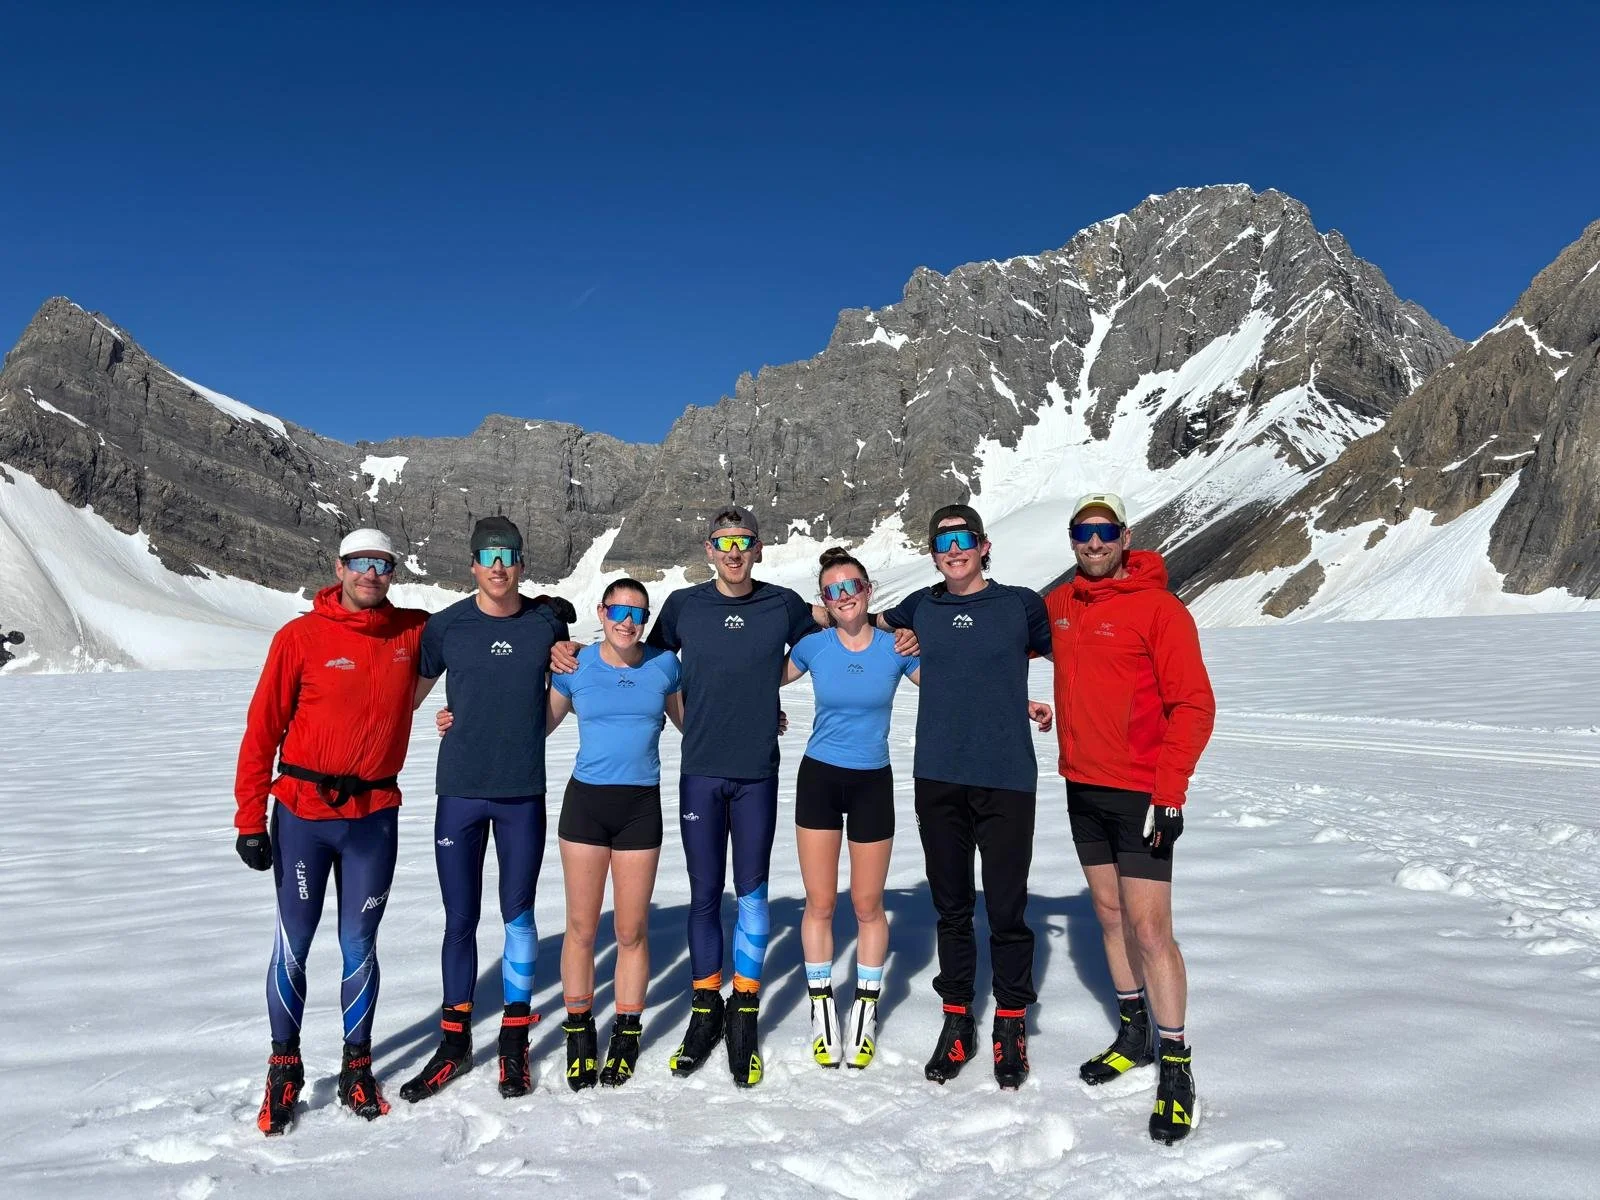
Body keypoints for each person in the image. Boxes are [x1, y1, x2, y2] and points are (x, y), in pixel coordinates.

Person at [554, 504, 820, 1087]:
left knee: (752, 893)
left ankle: (744, 1012)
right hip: (699, 771)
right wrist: (562, 648)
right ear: (708, 549)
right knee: (704, 896)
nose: (733, 552)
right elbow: (637, 658)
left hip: (756, 773)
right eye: (723, 542)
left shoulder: (783, 604)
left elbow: (831, 631)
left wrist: (886, 621)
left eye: (743, 542)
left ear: (758, 548)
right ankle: (706, 1010)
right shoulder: (682, 608)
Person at [234, 529, 428, 1136]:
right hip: (304, 816)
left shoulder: (411, 632)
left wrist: (544, 618)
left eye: (384, 565)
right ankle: (284, 1066)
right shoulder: (299, 637)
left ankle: (356, 1066)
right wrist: (249, 819)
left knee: (359, 942)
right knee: (293, 940)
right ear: (339, 566)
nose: (373, 573)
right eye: (362, 563)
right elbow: (262, 728)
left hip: (374, 816)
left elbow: (479, 624)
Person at [1045, 492, 1215, 1144]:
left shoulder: (1159, 610)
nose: (1093, 542)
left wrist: (1170, 795)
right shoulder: (1059, 607)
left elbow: (1193, 706)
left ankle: (1175, 1063)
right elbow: (1005, 631)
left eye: (1103, 531)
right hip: (1081, 790)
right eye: (1082, 532)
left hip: (1141, 794)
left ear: (1124, 535)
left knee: (1150, 930)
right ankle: (1135, 1033)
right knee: (1110, 916)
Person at [881, 504, 1054, 1090]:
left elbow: (1069, 656)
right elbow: (854, 622)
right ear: (932, 553)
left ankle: (1010, 1021)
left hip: (1007, 775)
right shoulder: (919, 608)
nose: (953, 550)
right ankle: (957, 1018)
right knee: (951, 906)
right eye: (941, 542)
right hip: (939, 776)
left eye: (963, 540)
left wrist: (1028, 701)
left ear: (983, 546)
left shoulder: (1020, 605)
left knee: (1007, 908)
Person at [399, 517, 572, 1104]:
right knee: (459, 920)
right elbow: (403, 697)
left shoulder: (545, 623)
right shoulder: (446, 628)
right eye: (487, 555)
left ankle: (514, 1039)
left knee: (518, 914)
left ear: (522, 563)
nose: (498, 566)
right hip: (461, 793)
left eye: (509, 555)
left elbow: (566, 687)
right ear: (472, 564)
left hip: (522, 791)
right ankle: (453, 1044)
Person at [782, 547, 919, 1071]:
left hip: (872, 783)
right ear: (824, 600)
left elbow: (954, 684)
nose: (844, 597)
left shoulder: (897, 646)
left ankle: (864, 1006)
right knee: (819, 903)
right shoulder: (814, 647)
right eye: (833, 590)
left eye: (852, 586)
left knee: (867, 904)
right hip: (819, 777)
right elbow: (752, 675)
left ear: (868, 590)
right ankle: (821, 1006)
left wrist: (1015, 702)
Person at [547, 579, 684, 1089]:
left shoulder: (664, 666)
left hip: (639, 809)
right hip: (585, 806)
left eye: (638, 614)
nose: (627, 622)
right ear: (601, 612)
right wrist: (464, 720)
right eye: (618, 611)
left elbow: (697, 722)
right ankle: (579, 1030)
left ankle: (626, 1030)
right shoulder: (575, 665)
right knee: (581, 928)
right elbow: (534, 724)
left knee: (631, 931)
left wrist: (757, 720)